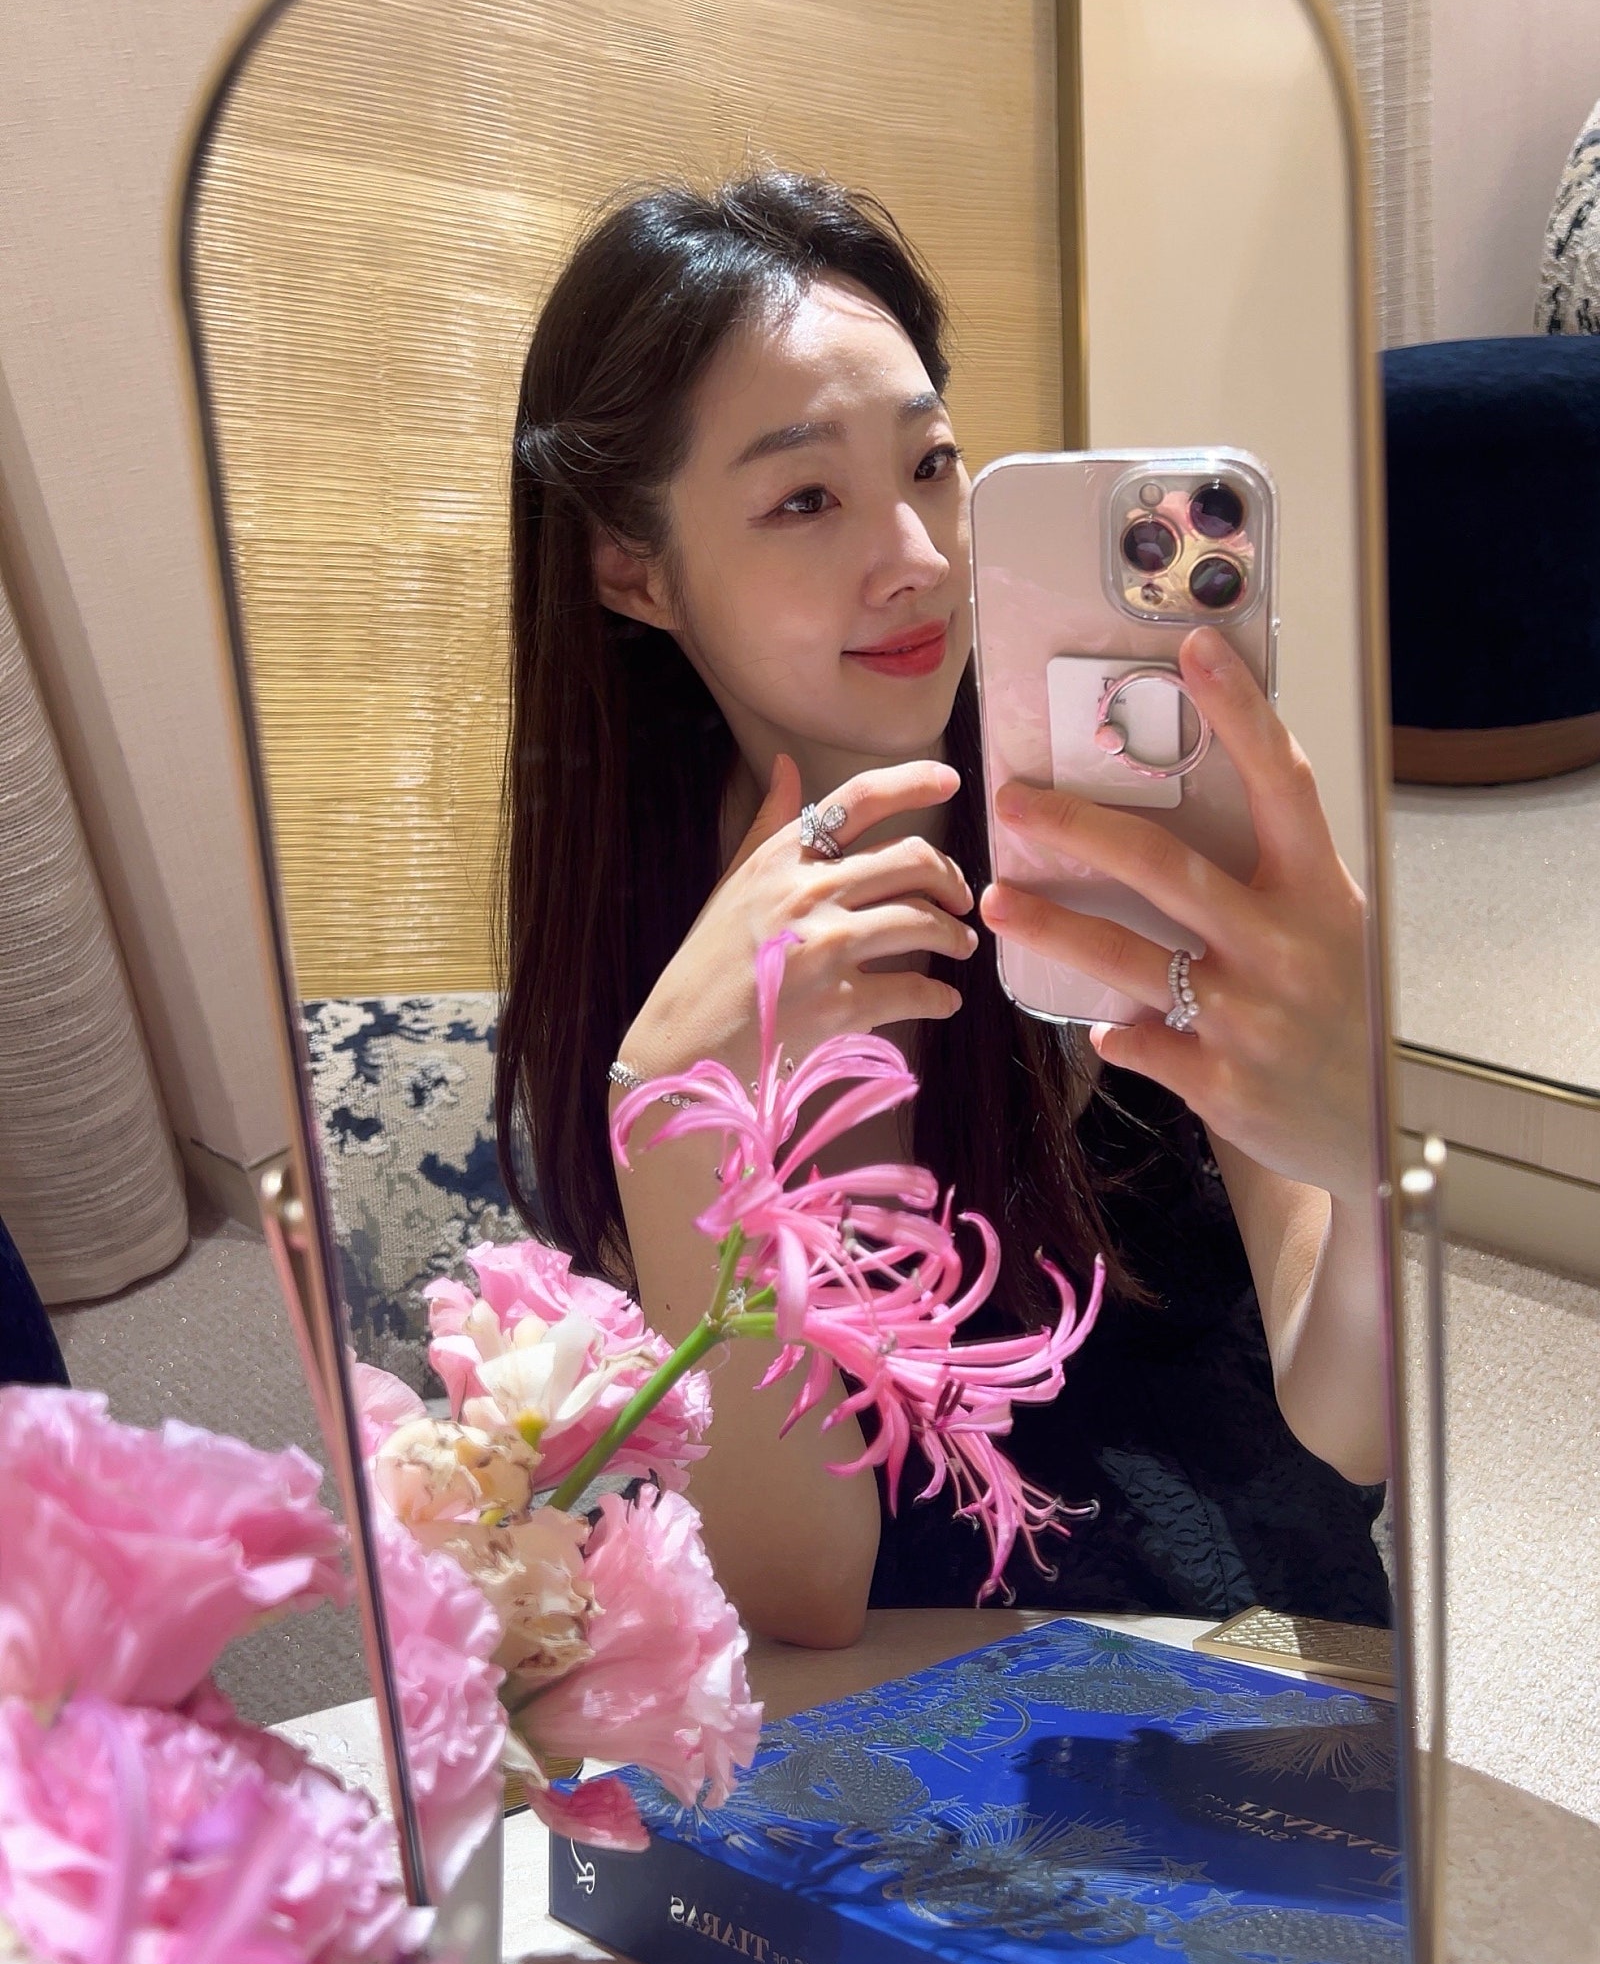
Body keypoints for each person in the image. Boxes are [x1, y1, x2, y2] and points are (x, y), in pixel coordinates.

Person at [495, 171, 1391, 1649]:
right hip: (900, 1660)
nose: (918, 558)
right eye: (805, 497)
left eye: (930, 464)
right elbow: (799, 1595)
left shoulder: (1132, 816)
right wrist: (673, 1110)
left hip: (1222, 1578)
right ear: (631, 568)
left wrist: (1368, 1153)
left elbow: (1351, 1420)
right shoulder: (660, 944)